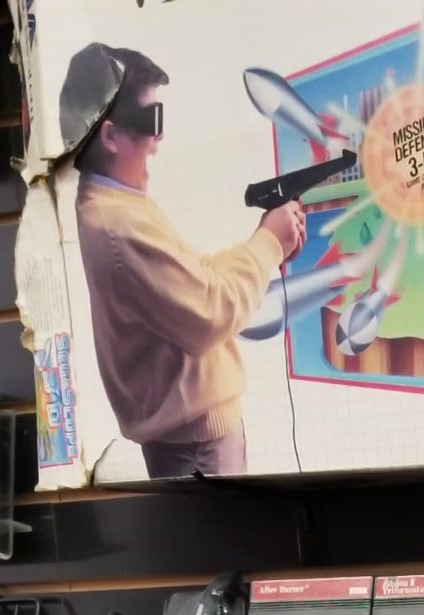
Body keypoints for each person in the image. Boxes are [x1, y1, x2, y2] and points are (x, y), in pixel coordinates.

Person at [60, 43, 306, 478]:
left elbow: (192, 281)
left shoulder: (116, 205)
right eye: (152, 120)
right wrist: (270, 243)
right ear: (111, 136)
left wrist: (266, 242)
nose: (160, 137)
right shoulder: (119, 223)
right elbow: (208, 311)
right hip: (197, 446)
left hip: (193, 440)